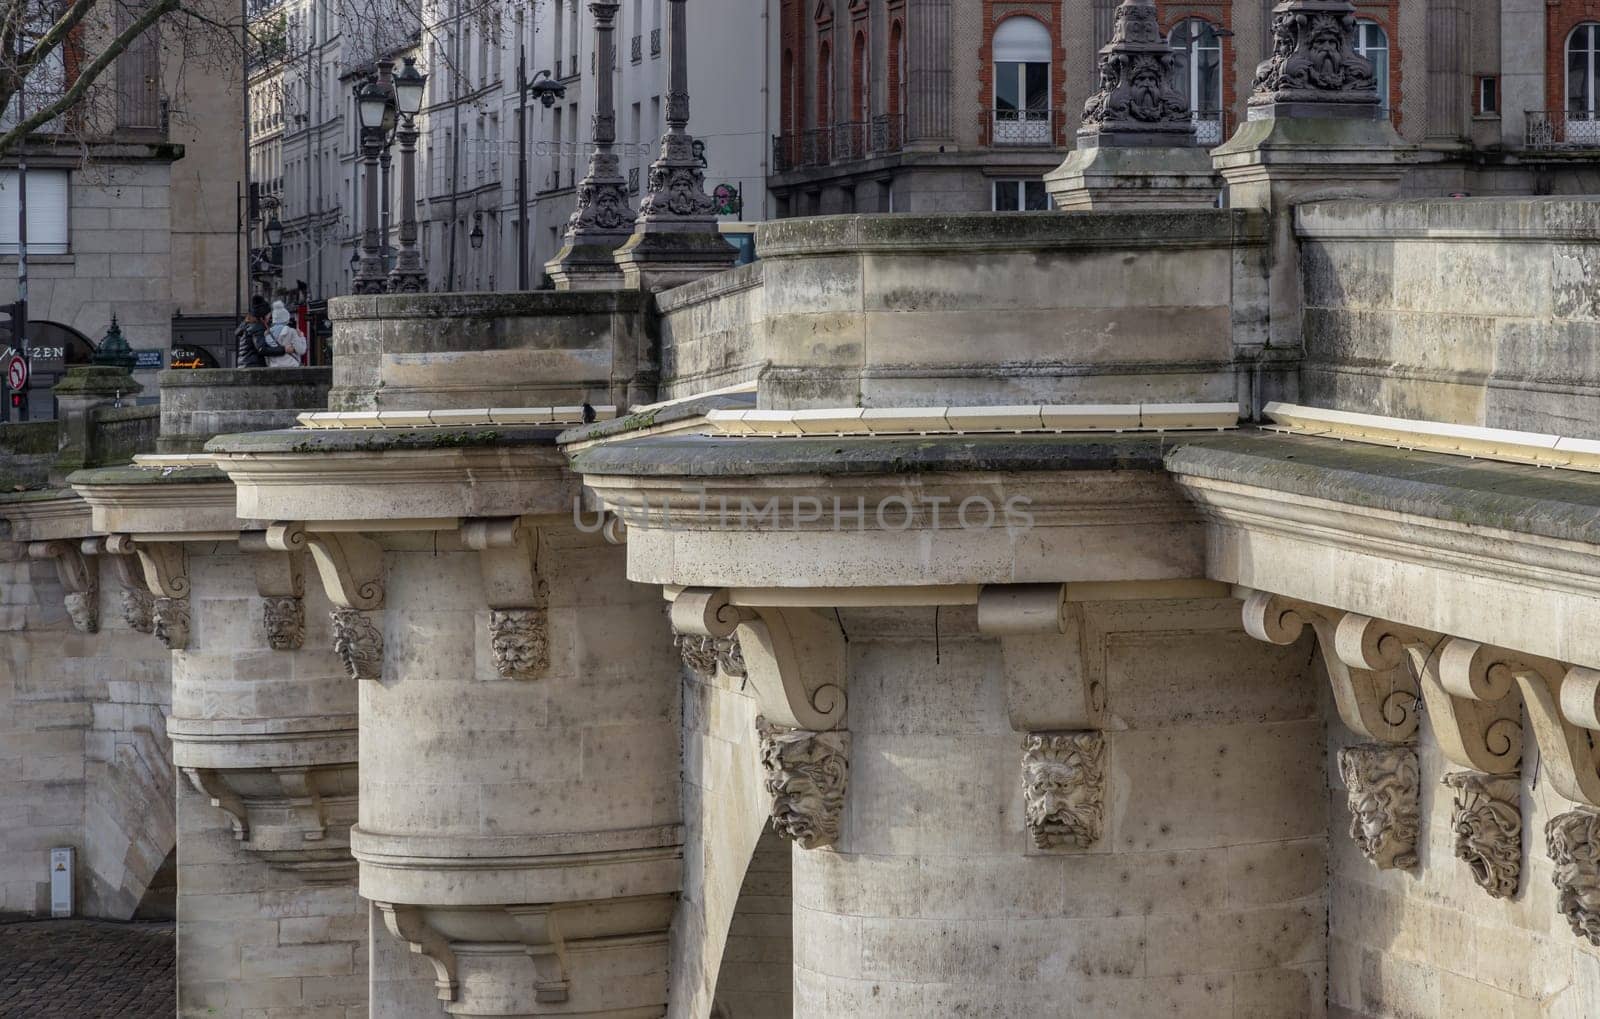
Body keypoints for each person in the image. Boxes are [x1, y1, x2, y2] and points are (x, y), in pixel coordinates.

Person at [235, 295, 287, 368]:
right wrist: (283, 350)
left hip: (245, 365)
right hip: (253, 367)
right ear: (262, 316)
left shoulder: (247, 325)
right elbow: (262, 349)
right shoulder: (257, 327)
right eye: (268, 314)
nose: (270, 317)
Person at [266, 300, 307, 368]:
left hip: (273, 368)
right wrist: (302, 337)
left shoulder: (268, 333)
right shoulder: (291, 332)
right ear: (286, 318)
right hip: (291, 366)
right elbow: (301, 350)